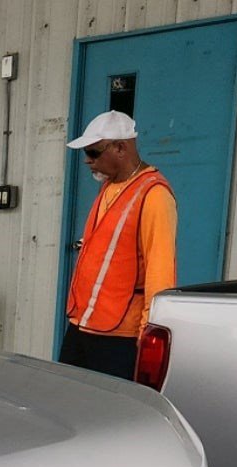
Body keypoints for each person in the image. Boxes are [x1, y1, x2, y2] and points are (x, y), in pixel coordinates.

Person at [58, 110, 176, 380]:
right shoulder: (109, 187)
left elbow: (160, 271)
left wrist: (149, 331)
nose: (88, 160)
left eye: (94, 152)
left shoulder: (154, 195)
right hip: (83, 324)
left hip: (119, 336)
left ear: (121, 148)